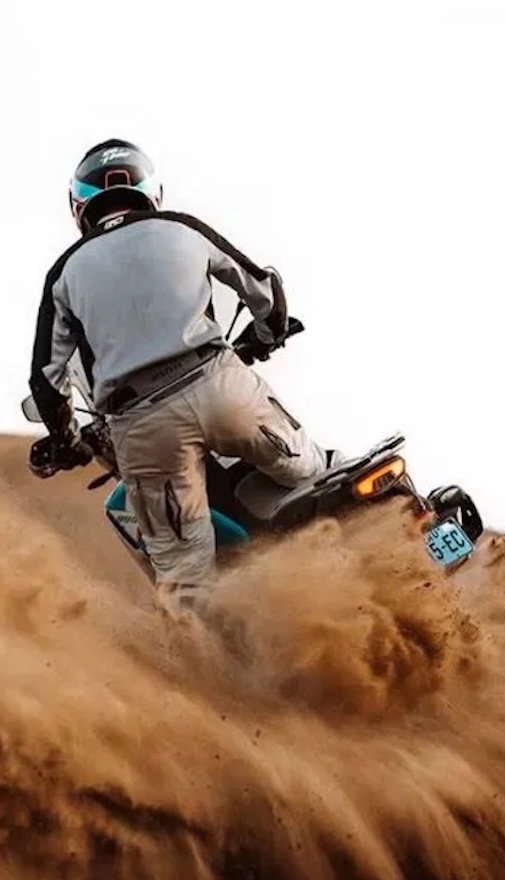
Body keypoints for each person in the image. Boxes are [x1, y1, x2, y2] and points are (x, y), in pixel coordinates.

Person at [27, 138, 332, 610]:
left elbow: (47, 382)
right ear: (150, 190)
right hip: (222, 388)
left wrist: (67, 441)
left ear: (79, 204)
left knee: (186, 579)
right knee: (310, 470)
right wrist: (268, 335)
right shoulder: (181, 228)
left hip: (144, 427)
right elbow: (262, 286)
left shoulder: (64, 273)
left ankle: (218, 678)